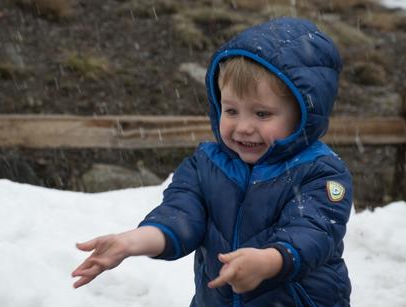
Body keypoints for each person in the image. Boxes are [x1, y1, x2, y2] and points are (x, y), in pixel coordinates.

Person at [72, 17, 353, 307]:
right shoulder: (205, 165)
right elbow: (180, 215)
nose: (243, 127)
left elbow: (313, 232)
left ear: (304, 114)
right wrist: (130, 242)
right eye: (231, 110)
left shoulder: (321, 173)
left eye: (261, 114)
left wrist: (269, 260)